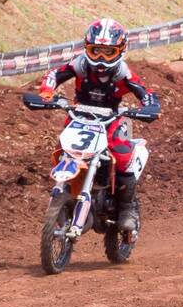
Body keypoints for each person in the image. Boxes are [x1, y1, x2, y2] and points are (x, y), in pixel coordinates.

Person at [37, 18, 160, 232]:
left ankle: (127, 209)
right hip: (78, 117)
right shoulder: (81, 64)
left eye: (108, 52)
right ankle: (66, 191)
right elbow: (54, 74)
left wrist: (150, 107)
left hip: (110, 120)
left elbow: (145, 93)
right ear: (87, 48)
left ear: (120, 51)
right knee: (63, 149)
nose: (101, 58)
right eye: (96, 51)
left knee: (123, 157)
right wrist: (47, 92)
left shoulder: (123, 72)